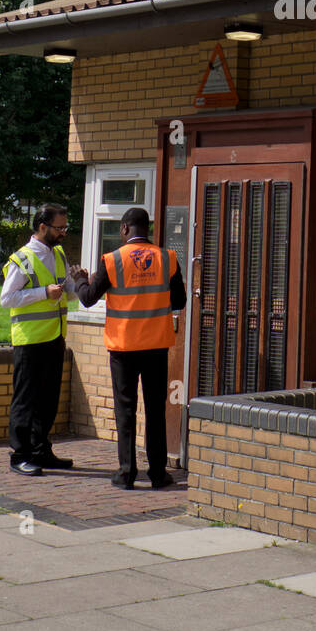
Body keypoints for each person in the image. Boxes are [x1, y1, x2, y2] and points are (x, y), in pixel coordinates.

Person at [74, 206, 186, 489]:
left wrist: (79, 279)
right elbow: (180, 301)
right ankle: (158, 474)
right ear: (146, 229)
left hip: (123, 349)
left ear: (124, 229)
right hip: (157, 348)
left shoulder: (112, 261)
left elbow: (87, 298)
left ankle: (126, 474)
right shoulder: (167, 258)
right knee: (155, 411)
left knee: (125, 410)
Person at [1, 202, 87, 476]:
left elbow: (67, 294)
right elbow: (6, 299)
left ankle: (41, 450)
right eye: (59, 228)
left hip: (55, 336)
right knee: (26, 399)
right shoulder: (22, 258)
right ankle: (20, 455)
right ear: (42, 227)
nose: (63, 232)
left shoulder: (58, 254)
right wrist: (42, 293)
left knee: (49, 398)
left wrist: (78, 282)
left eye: (65, 227)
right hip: (29, 340)